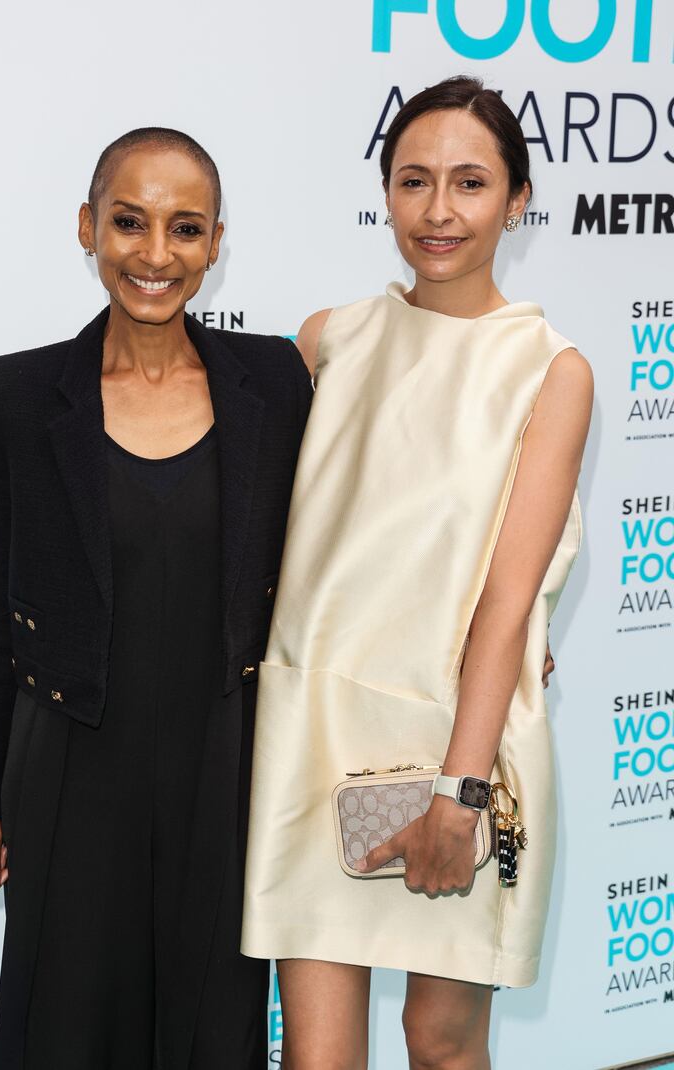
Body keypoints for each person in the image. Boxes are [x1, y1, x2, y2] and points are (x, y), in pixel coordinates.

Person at [0, 127, 313, 1070]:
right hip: (69, 759)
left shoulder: (274, 381)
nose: (156, 255)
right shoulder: (20, 394)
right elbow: (0, 599)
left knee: (211, 1029)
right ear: (87, 227)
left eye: (185, 229)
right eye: (129, 222)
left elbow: (350, 533)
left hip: (226, 764)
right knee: (65, 1029)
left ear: (217, 242)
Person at [241, 76, 593, 1069]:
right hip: (312, 730)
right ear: (384, 192)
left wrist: (460, 790)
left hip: (459, 737)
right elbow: (218, 500)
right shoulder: (327, 339)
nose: (437, 210)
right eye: (413, 181)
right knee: (315, 1056)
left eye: (470, 183)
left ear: (516, 200)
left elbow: (505, 598)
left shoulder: (548, 368)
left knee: (439, 1042)